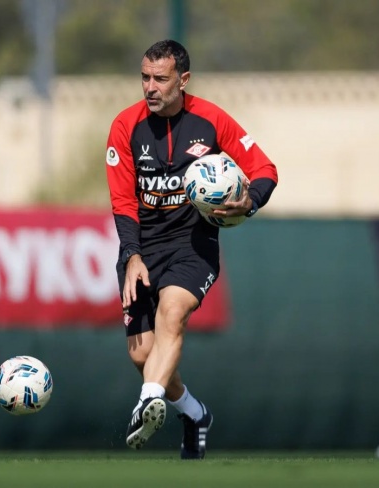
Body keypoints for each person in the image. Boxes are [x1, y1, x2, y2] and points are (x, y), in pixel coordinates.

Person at [104, 39, 278, 459]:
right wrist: (132, 256)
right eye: (144, 77)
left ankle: (147, 402)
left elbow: (265, 169)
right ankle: (195, 413)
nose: (150, 87)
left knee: (172, 312)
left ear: (183, 80)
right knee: (144, 356)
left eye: (160, 79)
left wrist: (250, 201)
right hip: (142, 248)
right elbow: (123, 201)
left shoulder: (211, 120)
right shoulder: (125, 126)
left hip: (192, 245)